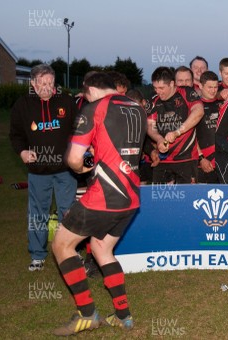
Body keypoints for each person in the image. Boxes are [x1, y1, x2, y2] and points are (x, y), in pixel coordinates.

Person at [51, 72, 146, 335]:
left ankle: (87, 313)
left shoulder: (94, 108)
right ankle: (123, 316)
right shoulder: (136, 107)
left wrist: (84, 166)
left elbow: (73, 159)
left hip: (103, 197)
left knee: (61, 245)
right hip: (130, 197)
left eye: (85, 96)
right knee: (102, 249)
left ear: (90, 90)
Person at [9, 64, 78, 271]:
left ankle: (72, 252)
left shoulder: (66, 101)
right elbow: (16, 135)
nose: (47, 87)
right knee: (38, 214)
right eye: (42, 83)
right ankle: (37, 255)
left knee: (69, 212)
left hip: (65, 169)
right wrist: (22, 152)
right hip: (38, 171)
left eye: (50, 82)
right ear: (33, 84)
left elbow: (80, 129)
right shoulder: (22, 105)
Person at [147, 67, 204, 184]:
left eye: (161, 88)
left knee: (187, 199)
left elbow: (199, 112)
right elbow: (150, 126)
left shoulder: (186, 92)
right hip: (163, 160)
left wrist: (177, 132)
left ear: (172, 84)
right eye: (155, 88)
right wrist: (159, 139)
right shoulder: (153, 100)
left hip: (186, 159)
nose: (158, 91)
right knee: (160, 199)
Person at [195, 71, 222, 183]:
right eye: (209, 87)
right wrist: (201, 158)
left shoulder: (222, 104)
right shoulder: (195, 107)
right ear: (200, 86)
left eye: (215, 87)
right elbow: (190, 136)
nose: (213, 90)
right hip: (204, 163)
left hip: (222, 162)